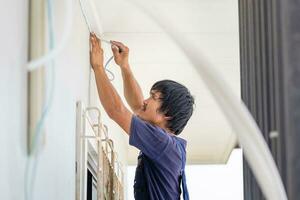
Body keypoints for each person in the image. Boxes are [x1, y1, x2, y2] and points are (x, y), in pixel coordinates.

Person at [90, 33, 194, 200]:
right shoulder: (169, 146)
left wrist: (98, 67)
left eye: (153, 97)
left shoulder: (163, 144)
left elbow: (117, 111)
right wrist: (124, 66)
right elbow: (139, 107)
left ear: (167, 114)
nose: (146, 100)